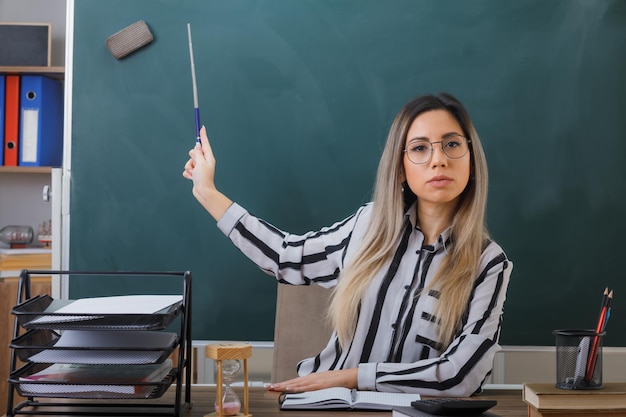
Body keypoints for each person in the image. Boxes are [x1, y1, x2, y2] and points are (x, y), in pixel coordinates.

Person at [183, 93, 512, 397]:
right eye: (420, 148)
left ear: (471, 160)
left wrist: (353, 377)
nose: (438, 159)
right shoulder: (368, 227)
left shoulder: (489, 264)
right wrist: (207, 192)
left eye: (452, 144)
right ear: (400, 167)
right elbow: (285, 256)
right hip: (332, 407)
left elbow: (463, 375)